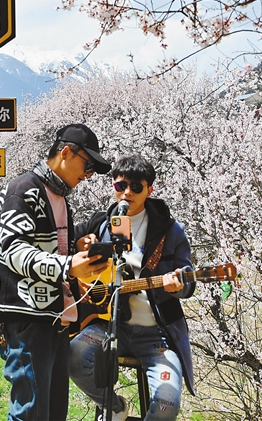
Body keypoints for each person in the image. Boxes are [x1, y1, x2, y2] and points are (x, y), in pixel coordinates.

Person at [0, 123, 113, 421]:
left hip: (55, 317)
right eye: (88, 165)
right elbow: (13, 251)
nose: (88, 175)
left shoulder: (59, 197)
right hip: (27, 316)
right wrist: (68, 265)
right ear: (66, 152)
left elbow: (47, 249)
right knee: (30, 413)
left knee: (53, 413)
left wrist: (75, 248)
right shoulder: (24, 190)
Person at [70, 155, 196, 421]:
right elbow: (63, 238)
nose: (127, 192)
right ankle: (115, 408)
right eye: (121, 185)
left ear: (149, 190)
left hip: (156, 335)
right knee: (72, 356)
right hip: (107, 326)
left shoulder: (171, 230)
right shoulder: (103, 223)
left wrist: (177, 286)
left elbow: (188, 281)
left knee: (167, 403)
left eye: (136, 187)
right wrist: (79, 244)